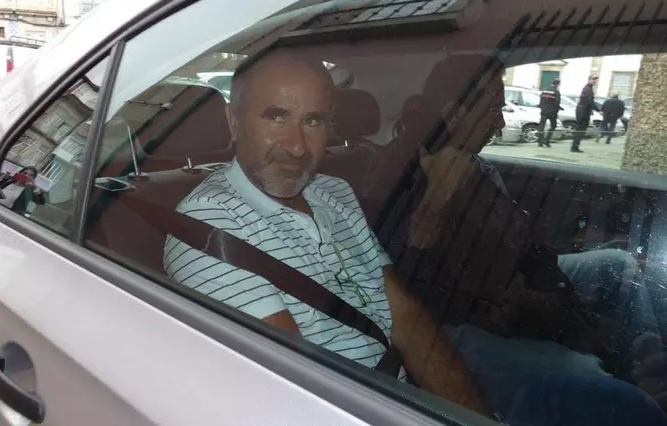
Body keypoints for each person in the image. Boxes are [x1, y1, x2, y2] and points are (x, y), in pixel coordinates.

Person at [163, 50, 667, 425]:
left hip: (407, 392)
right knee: (615, 400)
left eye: (313, 121)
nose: (297, 146)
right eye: (276, 117)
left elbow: (405, 317)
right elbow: (299, 395)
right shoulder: (208, 229)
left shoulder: (333, 192)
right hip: (367, 406)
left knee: (627, 404)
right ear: (233, 121)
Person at [571, 75, 599, 153]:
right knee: (581, 130)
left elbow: (590, 102)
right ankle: (574, 147)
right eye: (593, 79)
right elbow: (590, 101)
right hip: (583, 112)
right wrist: (598, 110)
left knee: (581, 130)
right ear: (589, 79)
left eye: (595, 80)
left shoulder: (589, 88)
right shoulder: (587, 89)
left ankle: (575, 146)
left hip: (583, 111)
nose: (594, 81)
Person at [536, 79, 561, 147]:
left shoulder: (544, 90)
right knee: (553, 126)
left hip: (544, 111)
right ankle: (546, 140)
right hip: (552, 113)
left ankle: (540, 142)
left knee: (541, 126)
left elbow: (541, 101)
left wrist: (542, 108)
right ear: (558, 84)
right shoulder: (556, 92)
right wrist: (556, 112)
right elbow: (557, 103)